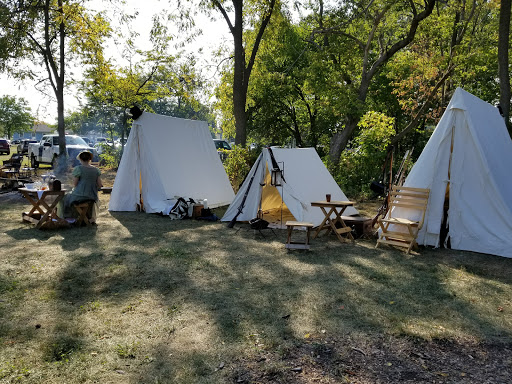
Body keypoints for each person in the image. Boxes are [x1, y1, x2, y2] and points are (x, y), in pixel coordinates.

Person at [64, 150, 103, 223]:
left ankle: (69, 218)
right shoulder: (96, 170)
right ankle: (84, 217)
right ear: (89, 159)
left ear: (80, 159)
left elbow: (75, 184)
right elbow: (100, 184)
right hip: (92, 195)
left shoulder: (78, 169)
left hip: (80, 195)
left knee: (65, 197)